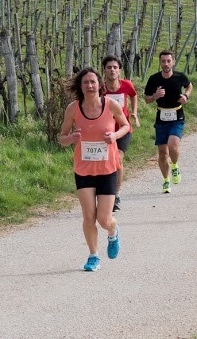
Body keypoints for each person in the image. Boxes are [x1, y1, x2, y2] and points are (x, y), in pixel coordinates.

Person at [58, 67, 130, 272]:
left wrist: (114, 136)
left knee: (104, 219)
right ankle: (93, 255)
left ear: (100, 85)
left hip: (107, 169)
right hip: (84, 170)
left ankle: (113, 231)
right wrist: (70, 138)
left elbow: (125, 126)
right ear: (80, 87)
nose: (90, 86)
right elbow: (61, 137)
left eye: (93, 82)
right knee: (89, 217)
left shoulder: (111, 105)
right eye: (85, 83)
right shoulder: (73, 108)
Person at [144, 50, 193, 194]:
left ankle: (175, 165)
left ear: (173, 62)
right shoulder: (154, 79)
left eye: (168, 61)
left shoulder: (179, 77)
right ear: (160, 62)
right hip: (161, 116)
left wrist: (186, 96)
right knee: (162, 153)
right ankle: (166, 180)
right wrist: (155, 96)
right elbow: (146, 99)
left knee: (173, 144)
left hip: (177, 115)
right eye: (163, 61)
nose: (166, 64)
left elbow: (189, 86)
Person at [101, 55, 139, 213]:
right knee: (105, 162)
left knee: (117, 158)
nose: (112, 70)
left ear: (119, 70)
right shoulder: (100, 88)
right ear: (104, 70)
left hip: (123, 129)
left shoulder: (126, 85)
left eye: (115, 67)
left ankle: (115, 195)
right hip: (106, 131)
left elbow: (134, 95)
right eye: (109, 67)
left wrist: (134, 113)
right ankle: (104, 192)